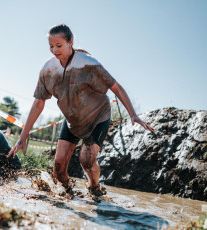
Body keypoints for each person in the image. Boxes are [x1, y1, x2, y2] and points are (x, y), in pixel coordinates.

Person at [8, 24, 154, 197]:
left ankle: (94, 188)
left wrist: (133, 114)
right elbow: (38, 104)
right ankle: (67, 193)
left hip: (97, 117)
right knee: (59, 167)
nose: (54, 50)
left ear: (70, 42)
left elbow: (116, 88)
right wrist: (23, 136)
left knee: (86, 161)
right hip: (72, 120)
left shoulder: (88, 64)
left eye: (59, 46)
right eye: (51, 46)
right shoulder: (47, 70)